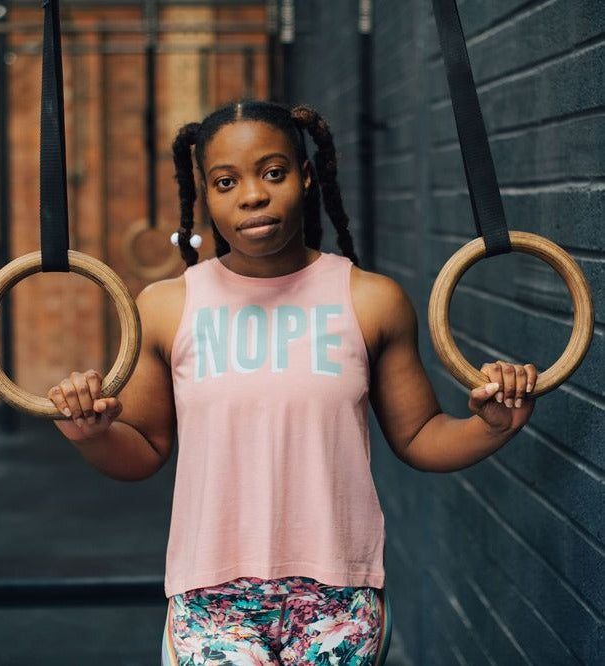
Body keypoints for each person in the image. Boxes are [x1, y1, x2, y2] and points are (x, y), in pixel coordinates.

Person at [48, 100, 537, 665]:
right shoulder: (165, 307)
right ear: (205, 195)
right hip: (212, 597)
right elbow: (144, 452)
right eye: (226, 182)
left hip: (338, 596)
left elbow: (421, 436)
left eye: (273, 173)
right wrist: (89, 433)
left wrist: (492, 426)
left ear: (305, 177)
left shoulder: (370, 299)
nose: (252, 195)